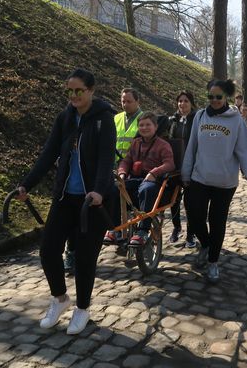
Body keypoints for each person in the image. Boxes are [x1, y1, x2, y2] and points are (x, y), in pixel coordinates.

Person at [16, 68, 116, 335]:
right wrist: (26, 184)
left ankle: (82, 309)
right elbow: (48, 154)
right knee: (48, 250)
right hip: (64, 197)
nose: (73, 96)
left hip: (91, 202)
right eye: (69, 91)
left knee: (84, 259)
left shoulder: (103, 119)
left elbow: (107, 159)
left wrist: (98, 191)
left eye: (78, 91)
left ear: (91, 90)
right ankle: (60, 299)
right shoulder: (65, 118)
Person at [182, 79, 247, 283]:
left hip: (224, 182)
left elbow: (244, 149)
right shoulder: (200, 116)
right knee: (194, 216)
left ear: (226, 96)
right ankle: (206, 245)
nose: (214, 100)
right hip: (200, 177)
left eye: (218, 97)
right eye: (210, 97)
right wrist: (186, 173)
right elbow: (192, 146)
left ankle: (212, 262)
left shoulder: (236, 120)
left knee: (217, 222)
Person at [117, 112, 175, 245]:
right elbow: (126, 161)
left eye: (148, 125)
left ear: (155, 127)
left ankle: (143, 230)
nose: (144, 128)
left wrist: (154, 173)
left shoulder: (163, 144)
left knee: (146, 189)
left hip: (154, 182)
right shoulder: (135, 143)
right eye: (141, 125)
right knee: (115, 188)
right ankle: (116, 229)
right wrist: (122, 172)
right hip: (135, 179)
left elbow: (170, 164)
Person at [102, 88, 144, 244]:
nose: (125, 104)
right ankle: (115, 228)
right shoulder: (117, 118)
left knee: (127, 197)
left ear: (138, 101)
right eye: (123, 101)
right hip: (114, 165)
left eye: (129, 101)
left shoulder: (144, 119)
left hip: (134, 166)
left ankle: (127, 228)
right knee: (110, 194)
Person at [167, 91, 197, 247]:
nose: (182, 104)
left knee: (190, 201)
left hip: (192, 166)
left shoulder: (196, 119)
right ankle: (176, 227)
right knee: (174, 200)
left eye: (185, 101)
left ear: (191, 103)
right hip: (175, 165)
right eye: (180, 101)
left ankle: (191, 234)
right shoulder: (172, 120)